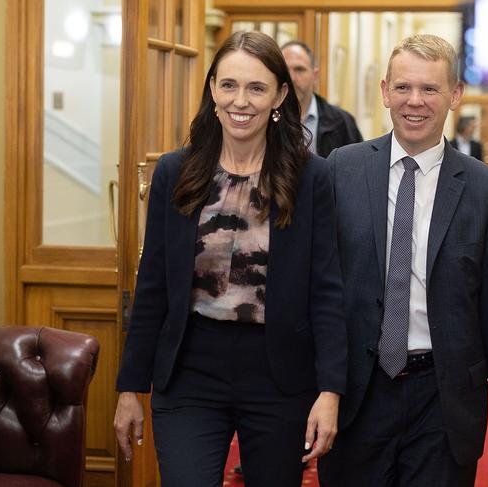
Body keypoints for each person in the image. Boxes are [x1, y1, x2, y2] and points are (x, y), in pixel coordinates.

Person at [113, 31, 347, 487]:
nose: (241, 101)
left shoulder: (312, 178)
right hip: (189, 371)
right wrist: (130, 386)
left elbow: (326, 291)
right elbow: (155, 285)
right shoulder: (174, 172)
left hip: (279, 376)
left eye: (257, 87)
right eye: (229, 85)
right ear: (212, 90)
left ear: (280, 94)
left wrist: (330, 390)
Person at [317, 34, 488, 487]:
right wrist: (320, 388)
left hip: (443, 397)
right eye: (403, 88)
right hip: (358, 393)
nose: (414, 102)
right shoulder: (342, 169)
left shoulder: (485, 190)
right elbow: (319, 291)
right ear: (384, 91)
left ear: (454, 95)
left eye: (430, 89)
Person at [281, 40, 363, 157]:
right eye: (285, 70)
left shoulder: (342, 122)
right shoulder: (266, 118)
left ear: (315, 75)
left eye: (299, 70)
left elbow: (357, 168)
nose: (292, 78)